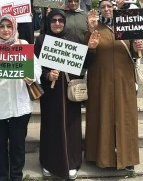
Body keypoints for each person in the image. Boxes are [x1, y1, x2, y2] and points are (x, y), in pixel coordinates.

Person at [34, 9, 99, 180]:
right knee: (50, 125)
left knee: (71, 125)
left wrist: (91, 49)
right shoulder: (41, 40)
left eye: (60, 20)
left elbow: (86, 63)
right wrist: (47, 75)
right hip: (50, 92)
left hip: (70, 90)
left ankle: (72, 162)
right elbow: (35, 67)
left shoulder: (74, 39)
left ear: (64, 22)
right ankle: (49, 162)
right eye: (53, 20)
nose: (57, 23)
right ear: (48, 23)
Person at [0, 15, 42, 181]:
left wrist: (32, 76)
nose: (5, 30)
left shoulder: (23, 46)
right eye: (2, 26)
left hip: (18, 107)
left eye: (9, 26)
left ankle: (16, 176)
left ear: (14, 29)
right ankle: (2, 176)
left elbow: (36, 67)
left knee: (18, 145)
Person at [84, 0, 143, 173]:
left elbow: (136, 52)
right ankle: (99, 156)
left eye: (109, 6)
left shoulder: (126, 26)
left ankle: (128, 157)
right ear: (99, 10)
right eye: (103, 7)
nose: (106, 9)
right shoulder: (95, 28)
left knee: (125, 118)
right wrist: (90, 38)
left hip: (123, 79)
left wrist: (139, 47)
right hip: (100, 80)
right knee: (100, 116)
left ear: (114, 9)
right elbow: (86, 53)